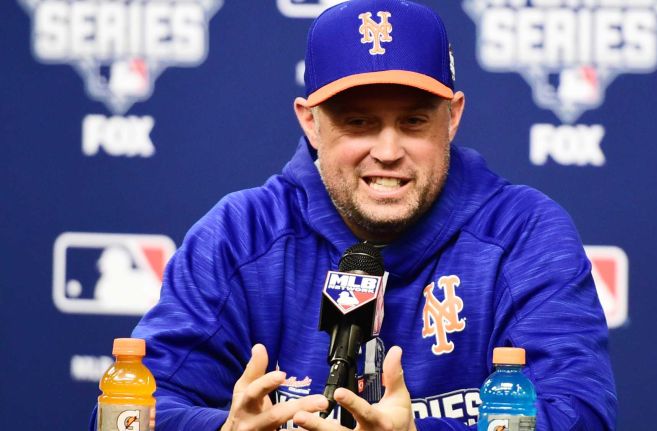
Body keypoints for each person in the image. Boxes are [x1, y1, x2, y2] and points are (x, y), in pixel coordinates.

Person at [90, 0, 617, 430]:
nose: (387, 151)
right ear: (311, 123)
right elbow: (124, 414)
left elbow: (581, 414)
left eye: (412, 121)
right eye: (359, 122)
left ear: (453, 117)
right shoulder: (239, 236)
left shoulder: (523, 234)